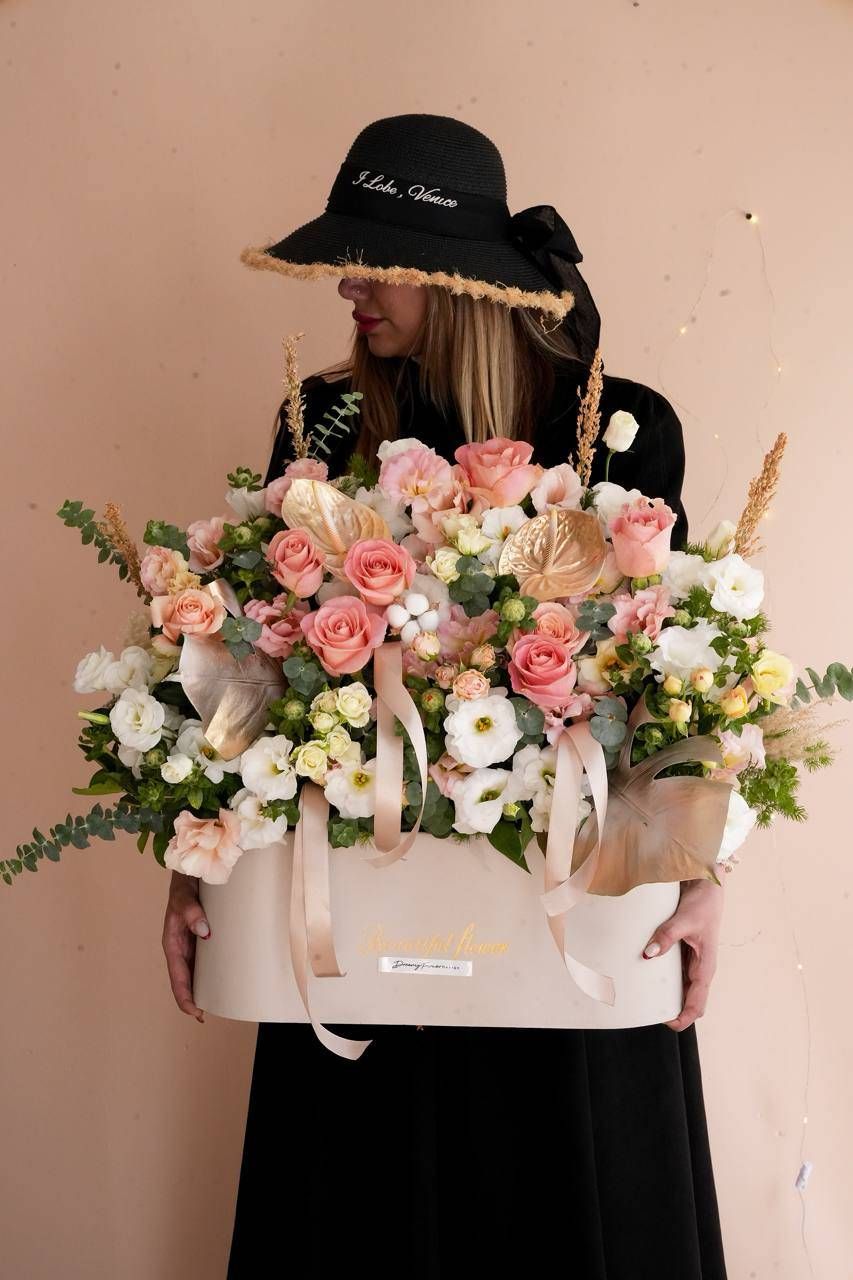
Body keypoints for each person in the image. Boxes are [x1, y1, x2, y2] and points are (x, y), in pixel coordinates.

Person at [162, 114, 728, 1278]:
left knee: (572, 1212)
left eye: (373, 261)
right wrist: (195, 852)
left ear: (452, 276)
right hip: (359, 911)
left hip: (563, 910)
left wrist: (702, 875)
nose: (349, 288)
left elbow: (675, 667)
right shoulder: (323, 421)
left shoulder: (620, 426)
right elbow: (249, 661)